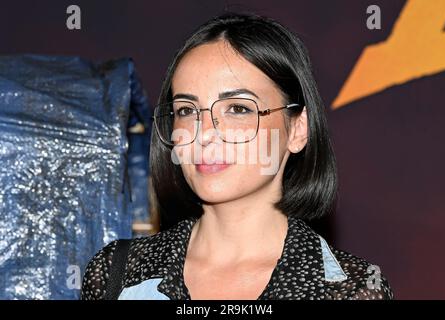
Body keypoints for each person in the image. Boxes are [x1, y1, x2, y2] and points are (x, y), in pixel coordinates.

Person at [81, 12, 393, 300]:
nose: (203, 133)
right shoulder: (115, 274)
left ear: (298, 129)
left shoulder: (351, 289)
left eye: (238, 109)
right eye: (187, 111)